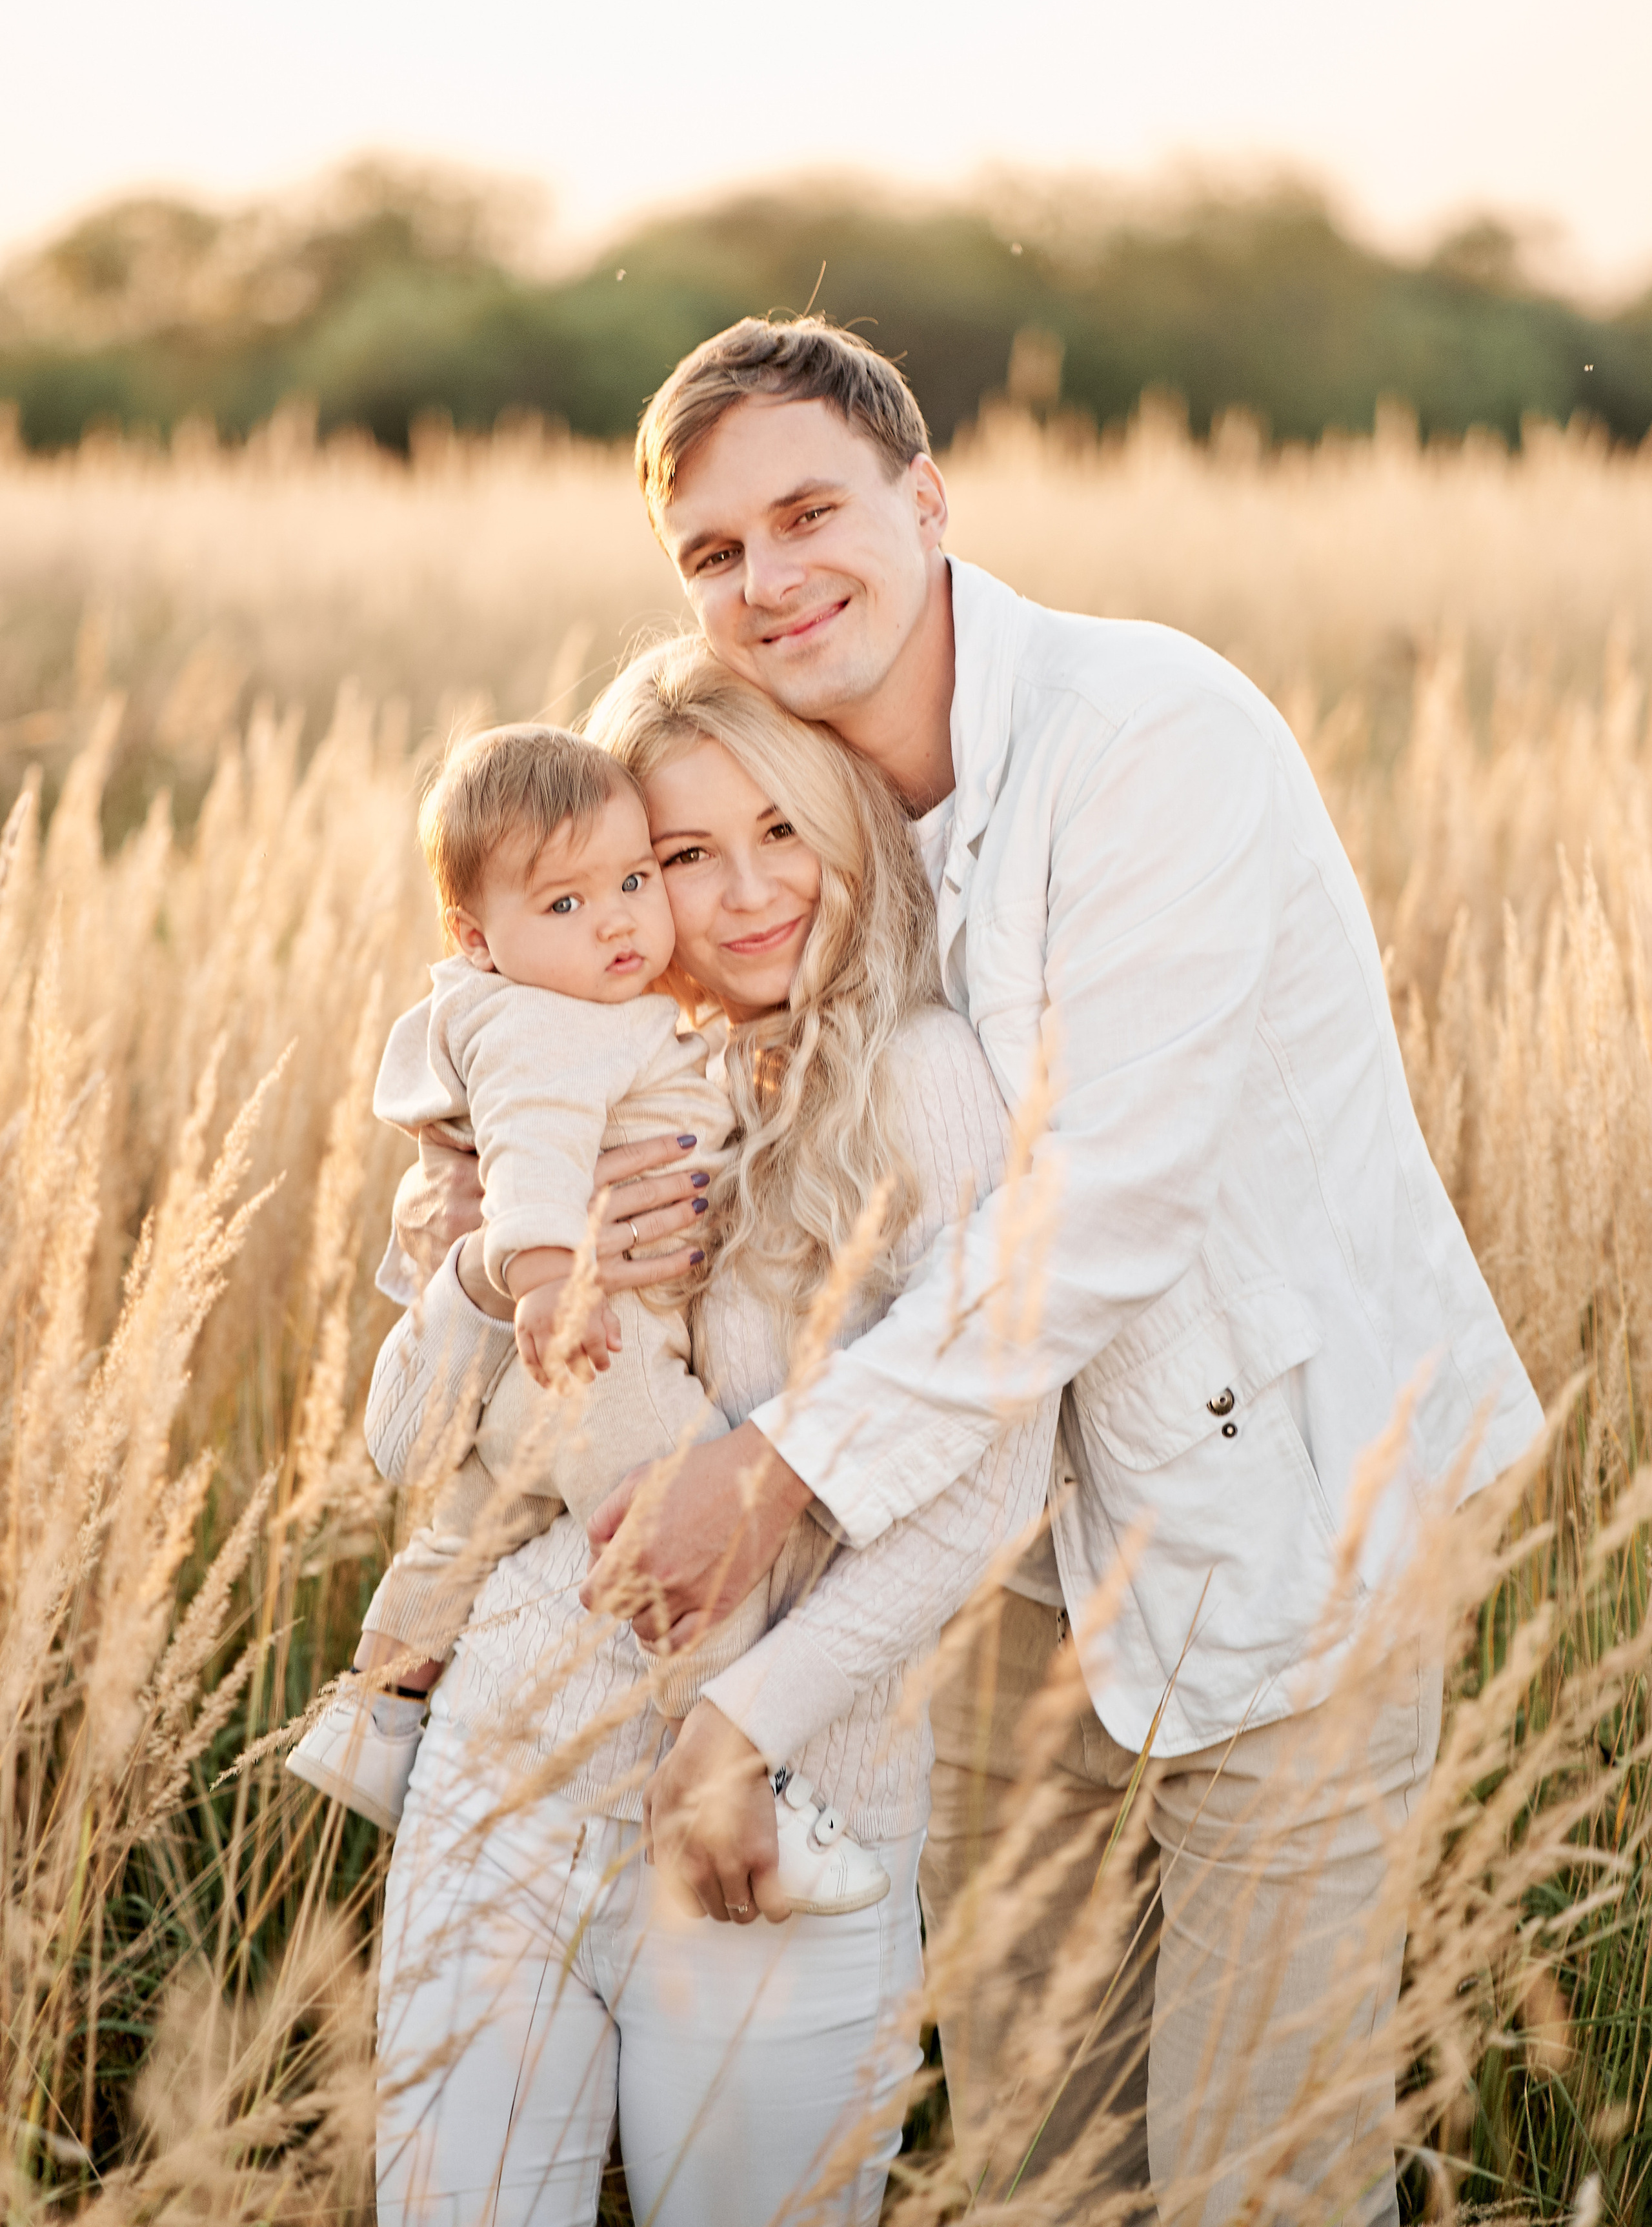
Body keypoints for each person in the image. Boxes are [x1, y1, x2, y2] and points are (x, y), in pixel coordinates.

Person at [399, 317, 1544, 2224]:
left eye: (809, 514)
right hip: (998, 1585)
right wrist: (496, 1211)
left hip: (1282, 1532)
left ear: (925, 500)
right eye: (713, 550)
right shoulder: (803, 803)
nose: (769, 579)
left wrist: (773, 1476)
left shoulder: (1144, 734)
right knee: (1039, 2166)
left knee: (1259, 2177)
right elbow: (596, 972)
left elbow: (1108, 1203)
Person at [371, 642, 1058, 2227]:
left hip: (770, 1828)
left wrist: (740, 1727)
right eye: (682, 854)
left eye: (781, 830)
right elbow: (404, 1450)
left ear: (846, 831)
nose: (745, 893)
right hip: (508, 1779)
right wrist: (487, 1274)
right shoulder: (550, 1069)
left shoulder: (921, 1081)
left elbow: (991, 1484)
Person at [290, 719, 800, 1853]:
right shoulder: (546, 1026)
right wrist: (546, 1281)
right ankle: (732, 1765)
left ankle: (376, 1708)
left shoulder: (572, 1006)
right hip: (596, 1345)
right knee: (683, 1526)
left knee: (476, 1516)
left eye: (634, 880)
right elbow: (531, 1155)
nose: (616, 919)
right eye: (565, 903)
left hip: (549, 1362)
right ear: (477, 940)